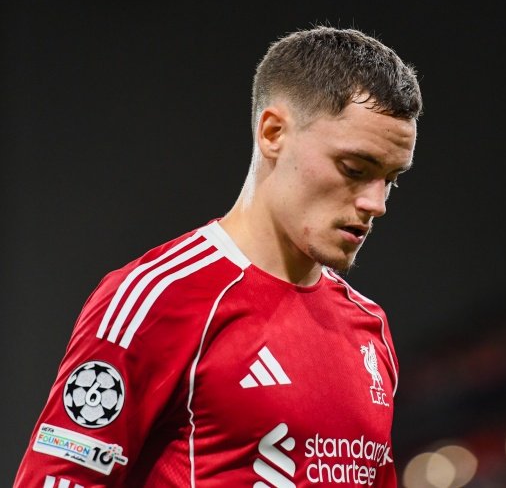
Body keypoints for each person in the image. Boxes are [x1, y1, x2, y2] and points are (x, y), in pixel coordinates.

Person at [14, 26, 422, 487]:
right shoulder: (156, 298)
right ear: (273, 133)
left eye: (390, 179)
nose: (376, 203)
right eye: (354, 169)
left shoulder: (369, 328)